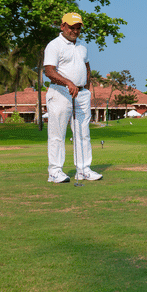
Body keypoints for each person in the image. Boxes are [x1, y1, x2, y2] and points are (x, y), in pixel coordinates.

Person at [43, 12, 102, 183]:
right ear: (62, 26)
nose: (75, 31)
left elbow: (87, 67)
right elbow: (49, 71)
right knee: (57, 134)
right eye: (71, 27)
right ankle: (55, 172)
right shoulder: (54, 45)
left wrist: (86, 89)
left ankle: (83, 170)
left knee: (83, 133)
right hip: (60, 93)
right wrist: (68, 83)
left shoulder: (83, 45)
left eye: (78, 28)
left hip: (81, 94)